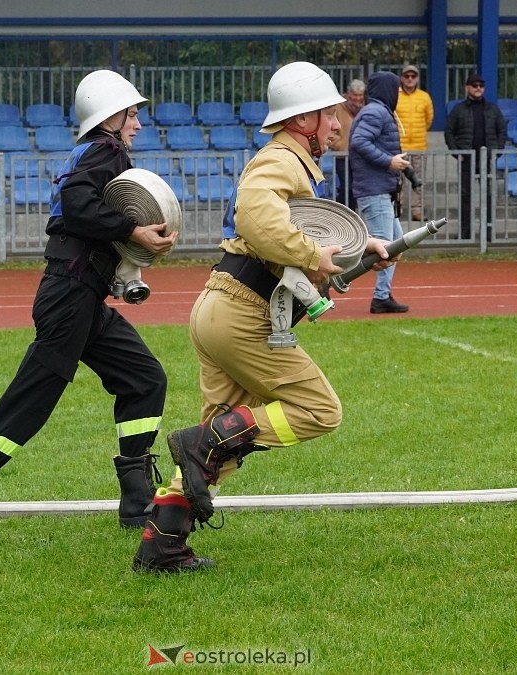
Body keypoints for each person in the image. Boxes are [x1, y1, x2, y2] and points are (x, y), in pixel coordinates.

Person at [131, 61, 397, 573]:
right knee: (320, 410)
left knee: (221, 445)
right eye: (329, 114)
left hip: (223, 309)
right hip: (243, 316)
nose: (339, 123)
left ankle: (160, 547)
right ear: (302, 121)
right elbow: (257, 215)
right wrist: (311, 255)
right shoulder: (280, 162)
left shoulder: (291, 165)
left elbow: (298, 238)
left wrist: (363, 247)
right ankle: (197, 441)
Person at [0, 69, 178, 542]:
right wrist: (132, 231)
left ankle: (137, 500)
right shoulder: (107, 150)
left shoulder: (96, 152)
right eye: (132, 113)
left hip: (80, 297)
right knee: (31, 401)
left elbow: (82, 213)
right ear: (110, 117)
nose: (138, 122)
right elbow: (77, 207)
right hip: (69, 299)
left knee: (144, 378)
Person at [349, 70, 411, 314]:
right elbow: (359, 142)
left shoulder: (377, 111)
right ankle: (328, 279)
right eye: (395, 89)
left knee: (395, 244)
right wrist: (389, 161)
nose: (398, 93)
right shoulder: (376, 112)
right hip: (374, 190)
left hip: (378, 189)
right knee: (385, 248)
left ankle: (382, 296)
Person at [444, 72, 507, 241]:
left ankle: (488, 234)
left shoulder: (493, 109)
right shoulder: (458, 110)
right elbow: (449, 132)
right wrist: (458, 154)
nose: (478, 88)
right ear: (467, 88)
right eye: (474, 85)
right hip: (467, 160)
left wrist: (497, 151)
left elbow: (502, 130)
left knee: (488, 196)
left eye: (481, 85)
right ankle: (466, 234)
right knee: (466, 198)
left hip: (487, 160)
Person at [394, 63, 434, 221]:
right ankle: (398, 208)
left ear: (417, 78)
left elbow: (429, 119)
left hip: (419, 146)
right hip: (400, 147)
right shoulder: (396, 95)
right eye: (406, 76)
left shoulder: (424, 97)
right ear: (401, 78)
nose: (410, 79)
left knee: (418, 180)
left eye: (413, 76)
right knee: (398, 180)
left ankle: (417, 211)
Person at [328, 78, 365, 210]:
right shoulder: (338, 107)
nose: (357, 98)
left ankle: (351, 216)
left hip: (360, 155)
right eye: (355, 95)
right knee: (346, 187)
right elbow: (329, 128)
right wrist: (338, 144)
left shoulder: (365, 108)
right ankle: (339, 212)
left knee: (356, 188)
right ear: (348, 94)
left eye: (360, 95)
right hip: (342, 155)